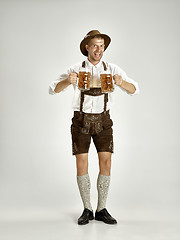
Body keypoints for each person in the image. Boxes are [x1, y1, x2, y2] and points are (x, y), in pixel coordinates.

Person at [49, 30, 139, 225]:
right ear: (87, 47)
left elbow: (135, 89)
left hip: (104, 122)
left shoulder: (112, 68)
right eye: (95, 45)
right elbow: (52, 89)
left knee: (106, 163)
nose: (99, 49)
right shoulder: (76, 67)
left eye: (101, 45)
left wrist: (122, 83)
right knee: (82, 164)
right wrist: (67, 81)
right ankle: (87, 209)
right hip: (80, 121)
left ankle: (102, 209)